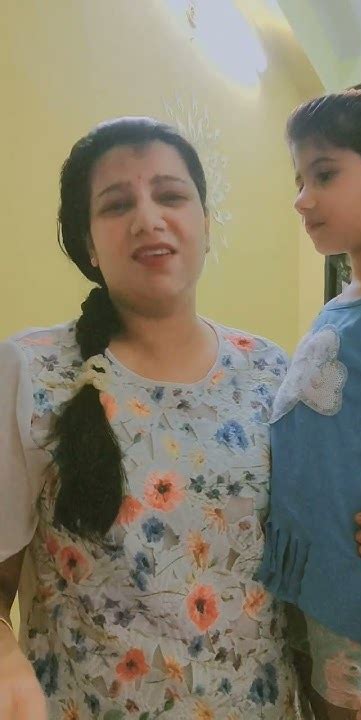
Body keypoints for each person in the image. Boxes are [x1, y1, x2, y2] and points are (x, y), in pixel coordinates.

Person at [0, 116, 305, 719]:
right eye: (117, 205)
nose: (148, 218)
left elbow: (305, 554)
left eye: (170, 195)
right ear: (88, 243)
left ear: (206, 224)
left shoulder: (270, 369)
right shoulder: (32, 371)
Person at [260, 82, 361, 720]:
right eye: (299, 179)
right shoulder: (338, 308)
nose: (302, 198)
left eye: (324, 173)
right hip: (302, 595)